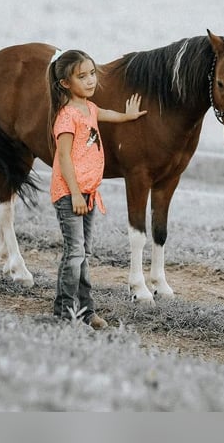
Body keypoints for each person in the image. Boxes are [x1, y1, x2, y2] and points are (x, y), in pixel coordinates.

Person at [47, 49, 147, 329]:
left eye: (92, 73)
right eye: (82, 76)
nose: (91, 81)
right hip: (71, 195)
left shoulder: (88, 108)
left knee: (83, 253)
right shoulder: (66, 117)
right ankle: (67, 312)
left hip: (89, 193)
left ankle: (85, 310)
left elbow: (104, 113)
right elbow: (64, 157)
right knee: (75, 253)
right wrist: (76, 193)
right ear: (66, 83)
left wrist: (127, 117)